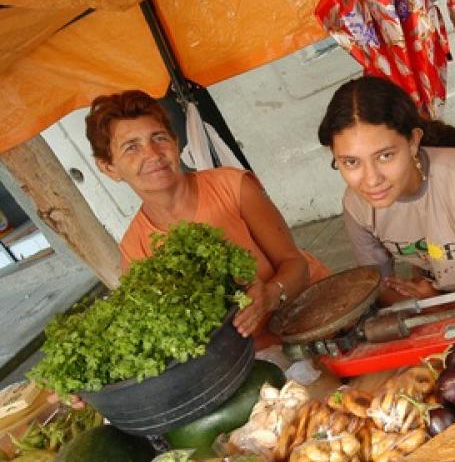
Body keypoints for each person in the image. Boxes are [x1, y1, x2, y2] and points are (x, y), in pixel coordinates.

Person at [85, 90, 329, 349]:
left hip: (313, 317)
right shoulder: (136, 250)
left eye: (159, 138)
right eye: (131, 147)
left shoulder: (233, 187)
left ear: (176, 143)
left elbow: (296, 265)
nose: (153, 154)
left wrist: (268, 296)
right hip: (250, 356)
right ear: (109, 168)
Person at [317, 76, 455, 305]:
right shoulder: (357, 205)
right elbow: (379, 291)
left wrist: (439, 304)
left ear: (413, 142)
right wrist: (433, 305)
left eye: (385, 156)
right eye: (351, 162)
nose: (371, 180)